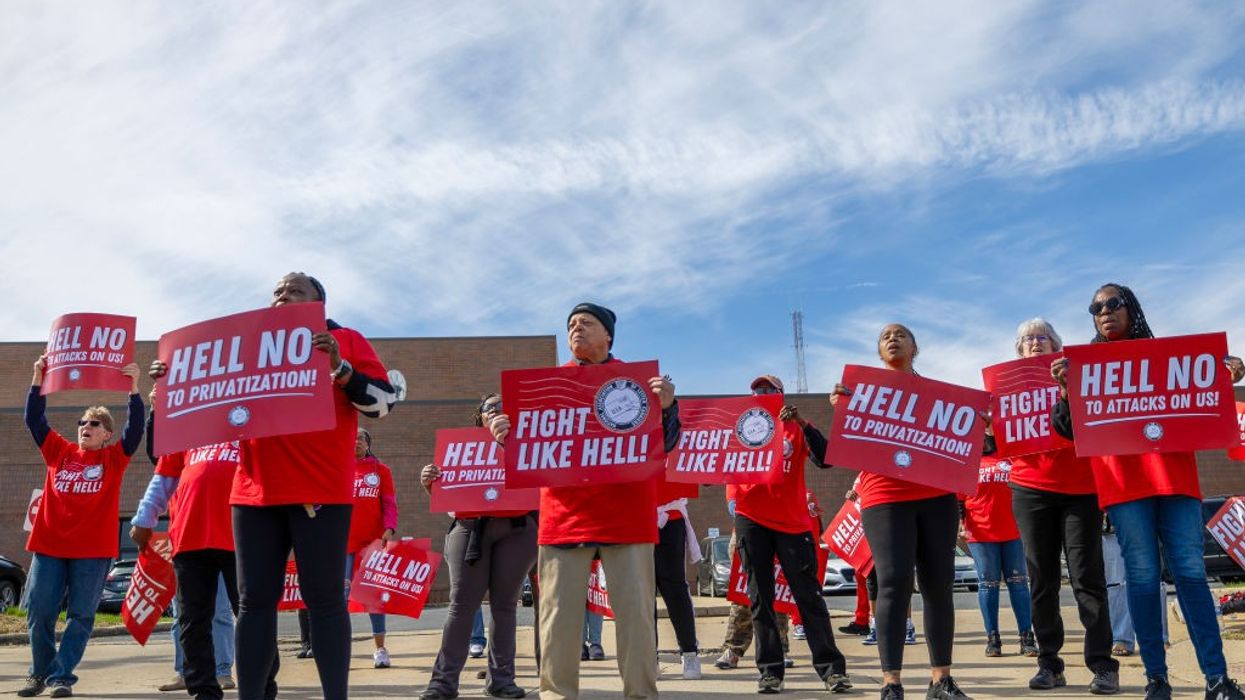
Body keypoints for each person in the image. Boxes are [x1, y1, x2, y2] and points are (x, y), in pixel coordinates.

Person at [1051, 283, 1245, 700]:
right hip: (1124, 487)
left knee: (1191, 576)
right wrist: (1067, 390)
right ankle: (1156, 678)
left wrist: (1224, 377)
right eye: (1095, 307)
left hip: (1176, 483)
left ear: (1131, 309)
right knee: (1140, 578)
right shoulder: (1083, 368)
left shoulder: (1173, 360)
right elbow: (1067, 431)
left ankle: (1217, 678)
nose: (1103, 311)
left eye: (1112, 303)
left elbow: (1207, 409)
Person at [488, 302, 679, 700]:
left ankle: (641, 694)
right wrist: (506, 436)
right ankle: (556, 695)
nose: (576, 329)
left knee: (636, 618)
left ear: (608, 335)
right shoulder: (547, 387)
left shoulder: (640, 384)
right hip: (564, 517)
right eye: (571, 324)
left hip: (626, 517)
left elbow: (668, 445)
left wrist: (668, 408)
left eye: (586, 323)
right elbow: (530, 456)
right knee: (557, 620)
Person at [231, 272, 397, 700]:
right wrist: (174, 384)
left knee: (324, 601)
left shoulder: (348, 339)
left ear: (320, 304)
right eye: (277, 291)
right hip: (255, 491)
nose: (282, 295)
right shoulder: (247, 345)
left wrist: (340, 368)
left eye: (295, 290)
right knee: (253, 604)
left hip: (319, 491)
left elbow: (383, 404)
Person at [831, 324, 970, 700]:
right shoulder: (861, 393)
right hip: (884, 496)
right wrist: (842, 410)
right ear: (879, 351)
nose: (893, 338)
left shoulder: (938, 396)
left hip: (936, 493)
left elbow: (959, 435)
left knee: (939, 585)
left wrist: (978, 424)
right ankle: (891, 682)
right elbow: (842, 449)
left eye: (901, 334)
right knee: (893, 583)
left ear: (915, 346)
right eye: (885, 336)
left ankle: (941, 679)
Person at [1002, 317, 1119, 693]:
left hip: (1080, 488)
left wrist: (1068, 387)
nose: (1035, 343)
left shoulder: (1077, 375)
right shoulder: (1005, 387)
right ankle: (1049, 663)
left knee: (1087, 578)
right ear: (1019, 350)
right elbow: (993, 445)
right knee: (1042, 581)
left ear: (1056, 345)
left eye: (1043, 338)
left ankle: (1103, 665)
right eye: (1028, 340)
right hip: (1029, 488)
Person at [19, 357, 144, 698]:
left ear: (106, 434)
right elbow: (33, 419)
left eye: (94, 423)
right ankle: (40, 672)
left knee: (80, 616)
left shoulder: (113, 459)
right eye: (82, 421)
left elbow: (135, 431)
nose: (85, 426)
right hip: (49, 546)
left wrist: (134, 389)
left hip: (92, 551)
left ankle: (61, 676)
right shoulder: (58, 451)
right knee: (40, 612)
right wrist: (37, 377)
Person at [734, 374, 850, 694]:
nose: (762, 393)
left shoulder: (795, 425)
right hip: (751, 518)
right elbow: (712, 462)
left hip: (792, 523)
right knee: (761, 600)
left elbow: (826, 459)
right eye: (757, 389)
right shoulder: (741, 425)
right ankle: (770, 671)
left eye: (769, 389)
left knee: (808, 597)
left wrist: (801, 421)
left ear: (782, 395)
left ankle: (831, 670)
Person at [419, 393, 538, 700]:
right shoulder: (460, 450)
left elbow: (539, 482)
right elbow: (449, 496)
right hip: (469, 530)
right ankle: (443, 684)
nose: (497, 411)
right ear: (480, 417)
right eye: (490, 409)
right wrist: (431, 482)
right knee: (461, 606)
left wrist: (507, 444)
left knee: (504, 605)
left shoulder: (528, 446)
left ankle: (501, 681)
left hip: (516, 529)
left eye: (503, 407)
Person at [131, 381, 240, 700]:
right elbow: (163, 478)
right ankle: (203, 689)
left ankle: (257, 682)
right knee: (193, 620)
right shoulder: (187, 434)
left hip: (241, 539)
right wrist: (143, 517)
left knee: (249, 614)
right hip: (190, 539)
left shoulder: (249, 431)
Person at [961, 456, 1036, 658]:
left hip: (1015, 531)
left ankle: (1027, 637)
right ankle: (993, 639)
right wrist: (960, 522)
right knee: (988, 583)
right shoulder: (970, 458)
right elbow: (958, 497)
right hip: (981, 532)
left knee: (1019, 582)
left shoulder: (1013, 455)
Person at [714, 485, 794, 671]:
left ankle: (779, 647)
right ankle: (733, 648)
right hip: (748, 527)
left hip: (780, 527)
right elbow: (733, 490)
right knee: (743, 593)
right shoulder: (743, 457)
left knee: (778, 594)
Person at [346, 427, 398, 668]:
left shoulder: (381, 471)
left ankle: (381, 650)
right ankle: (339, 648)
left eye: (360, 439)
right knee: (340, 598)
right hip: (344, 545)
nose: (355, 442)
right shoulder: (338, 469)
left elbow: (389, 503)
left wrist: (389, 527)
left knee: (375, 598)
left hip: (372, 545)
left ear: (368, 444)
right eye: (352, 438)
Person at [654, 478, 702, 679]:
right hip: (636, 518)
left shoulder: (673, 444)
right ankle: (648, 656)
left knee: (675, 590)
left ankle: (689, 652)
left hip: (670, 518)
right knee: (642, 593)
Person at [158, 583, 235, 693]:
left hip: (218, 567)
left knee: (219, 613)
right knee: (181, 616)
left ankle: (222, 673)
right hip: (181, 566)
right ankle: (184, 674)